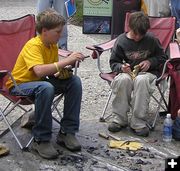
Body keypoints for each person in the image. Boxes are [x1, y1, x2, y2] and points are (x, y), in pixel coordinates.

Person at [6, 9, 84, 159]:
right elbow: (39, 71)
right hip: (19, 85)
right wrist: (66, 60)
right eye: (57, 32)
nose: (60, 35)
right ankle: (40, 139)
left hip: (40, 84)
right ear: (44, 31)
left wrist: (66, 68)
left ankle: (67, 132)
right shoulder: (34, 45)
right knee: (46, 87)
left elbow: (50, 71)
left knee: (74, 81)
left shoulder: (52, 45)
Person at [108, 11, 167, 137]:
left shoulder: (151, 40)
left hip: (148, 73)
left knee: (141, 81)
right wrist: (121, 67)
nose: (138, 37)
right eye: (135, 34)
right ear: (130, 28)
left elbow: (163, 57)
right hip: (128, 73)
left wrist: (150, 62)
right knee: (123, 80)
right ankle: (119, 119)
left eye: (142, 35)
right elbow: (114, 62)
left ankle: (138, 122)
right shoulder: (121, 40)